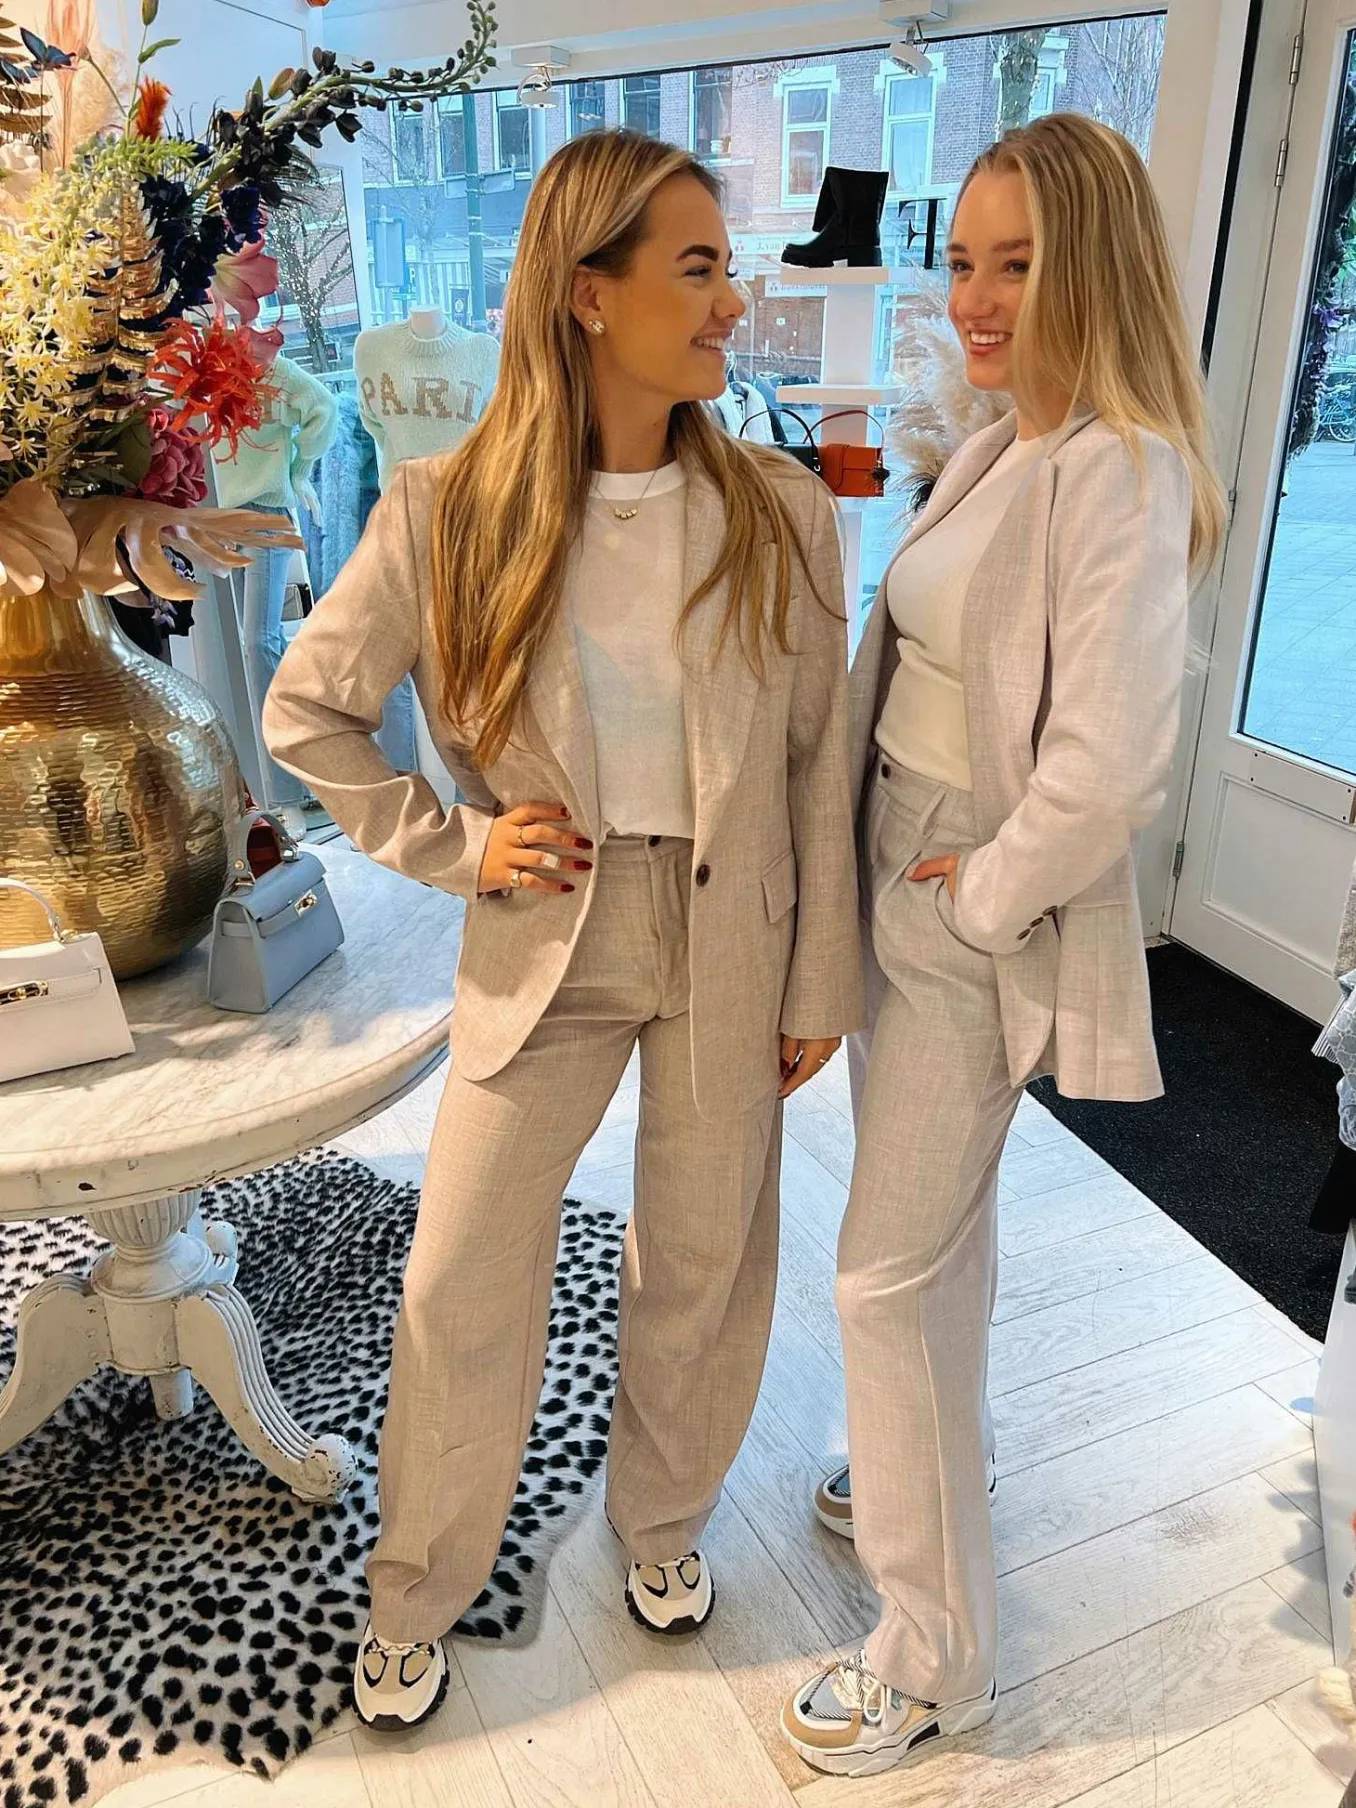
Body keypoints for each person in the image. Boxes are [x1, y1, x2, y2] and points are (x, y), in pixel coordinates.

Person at [263, 128, 863, 1733]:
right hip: (550, 923)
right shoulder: (450, 509)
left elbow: (818, 767)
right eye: (697, 267)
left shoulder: (784, 510)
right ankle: (417, 1587)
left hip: (735, 929)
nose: (731, 302)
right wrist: (458, 844)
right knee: (462, 1269)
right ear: (589, 292)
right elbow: (309, 712)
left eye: (728, 268)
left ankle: (660, 1525)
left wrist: (821, 976)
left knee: (705, 1258)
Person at [781, 112, 1226, 1779]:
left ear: (1092, 267)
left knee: (881, 1273)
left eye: (1017, 264)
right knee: (936, 1236)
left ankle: (932, 1657)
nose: (974, 296)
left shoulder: (1119, 466)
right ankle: (929, 1475)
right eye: (964, 260)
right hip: (903, 863)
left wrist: (977, 896)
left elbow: (1109, 763)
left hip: (964, 895)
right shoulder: (1003, 443)